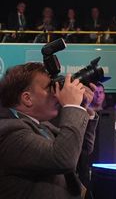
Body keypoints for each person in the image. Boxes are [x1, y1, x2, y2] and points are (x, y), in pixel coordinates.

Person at [0, 63, 99, 199]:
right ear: (27, 98)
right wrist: (72, 106)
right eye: (50, 88)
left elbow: (82, 149)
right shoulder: (10, 133)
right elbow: (63, 159)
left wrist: (82, 107)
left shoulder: (42, 125)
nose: (56, 94)